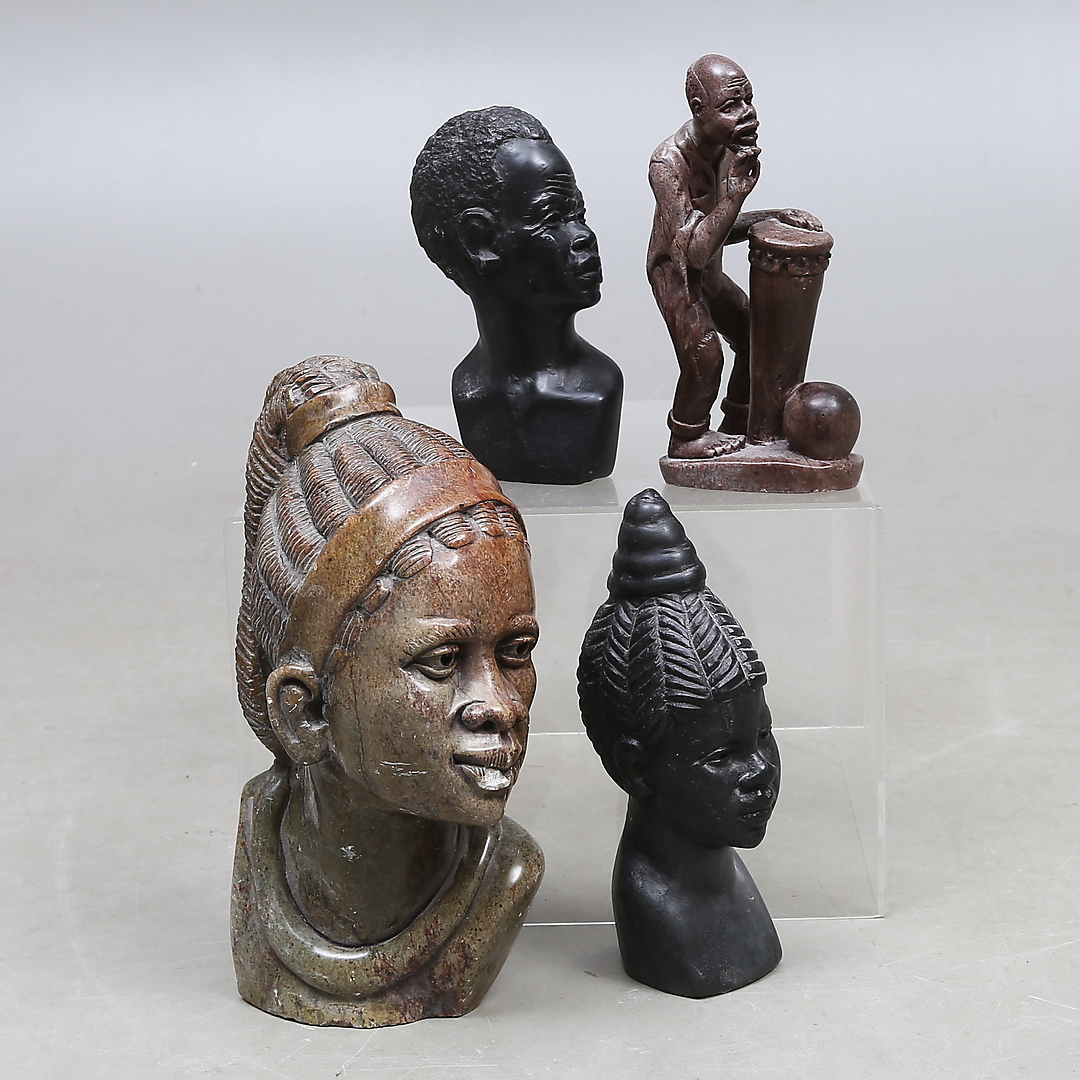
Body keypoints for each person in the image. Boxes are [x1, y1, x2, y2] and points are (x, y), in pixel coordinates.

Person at [232, 355, 543, 1027]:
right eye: (441, 661)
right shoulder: (260, 836)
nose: (502, 705)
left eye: (515, 652)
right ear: (306, 711)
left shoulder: (508, 871)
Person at [578, 489, 782, 997]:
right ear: (637, 769)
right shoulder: (657, 907)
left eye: (763, 736)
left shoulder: (723, 863)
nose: (760, 770)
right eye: (721, 756)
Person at [412, 107, 622, 485]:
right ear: (480, 242)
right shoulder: (470, 390)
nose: (584, 236)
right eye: (552, 218)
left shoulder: (600, 387)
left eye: (579, 215)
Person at [648, 54, 821, 459]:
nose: (747, 113)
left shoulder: (728, 147)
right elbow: (692, 252)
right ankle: (687, 436)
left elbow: (717, 231)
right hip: (678, 277)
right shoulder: (668, 163)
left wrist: (772, 214)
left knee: (753, 336)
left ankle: (741, 420)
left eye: (749, 100)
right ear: (698, 110)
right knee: (705, 356)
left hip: (708, 271)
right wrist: (735, 197)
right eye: (730, 106)